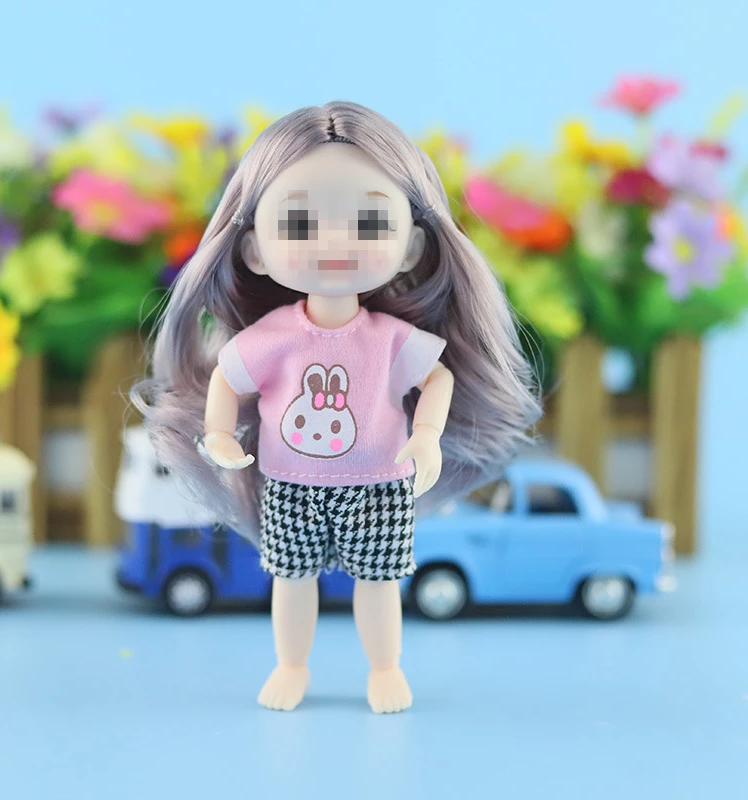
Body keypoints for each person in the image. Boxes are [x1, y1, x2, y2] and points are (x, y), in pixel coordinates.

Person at [133, 101, 542, 713]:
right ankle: (291, 665)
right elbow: (227, 377)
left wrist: (427, 434)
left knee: (378, 581)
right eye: (298, 224)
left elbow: (437, 379)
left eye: (369, 223)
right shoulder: (275, 336)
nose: (333, 244)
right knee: (292, 578)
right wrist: (218, 432)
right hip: (290, 482)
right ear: (254, 251)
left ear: (411, 248)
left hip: (379, 482)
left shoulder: (387, 338)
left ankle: (385, 668)